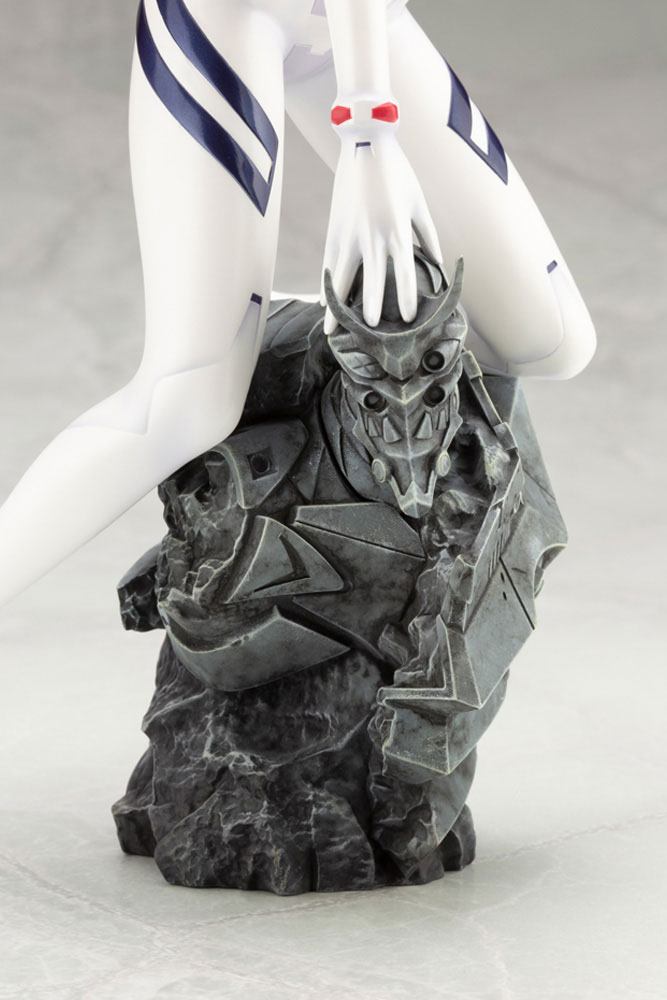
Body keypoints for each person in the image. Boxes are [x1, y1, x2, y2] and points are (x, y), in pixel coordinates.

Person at [0, 0, 595, 608]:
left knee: (547, 339)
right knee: (186, 403)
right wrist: (368, 131)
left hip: (357, 21)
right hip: (233, 14)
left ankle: (257, 328)